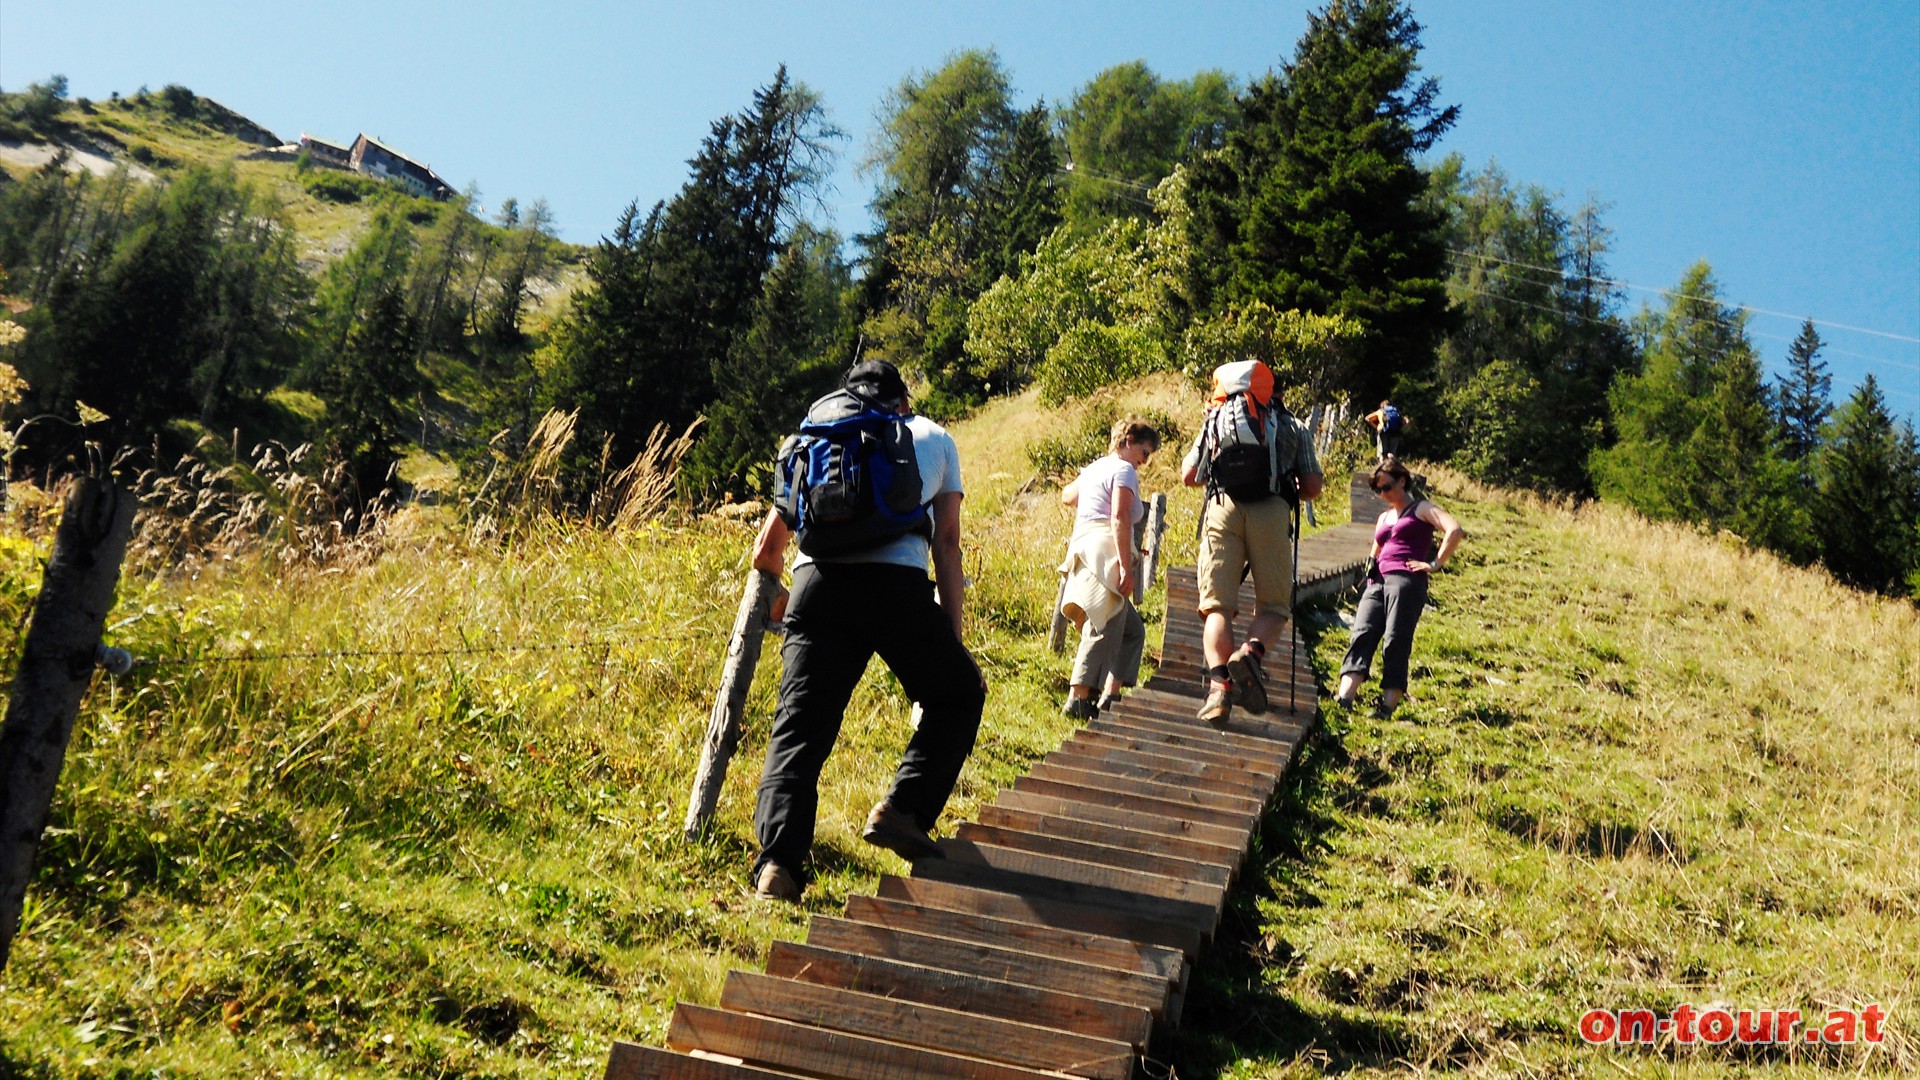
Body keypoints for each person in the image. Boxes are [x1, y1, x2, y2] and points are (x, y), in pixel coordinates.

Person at [747, 359, 986, 903]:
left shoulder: (820, 438)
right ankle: (904, 810)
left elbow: (767, 551)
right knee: (958, 693)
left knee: (798, 731)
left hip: (815, 585)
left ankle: (777, 869)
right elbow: (946, 546)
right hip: (895, 588)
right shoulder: (932, 437)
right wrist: (950, 641)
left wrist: (785, 596)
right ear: (903, 401)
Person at [1181, 360, 1324, 726]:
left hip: (1222, 509)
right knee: (1274, 607)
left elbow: (1189, 475)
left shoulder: (1216, 419)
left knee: (1217, 608)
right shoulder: (1292, 426)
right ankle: (1251, 653)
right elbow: (1312, 488)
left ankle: (1218, 691)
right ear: (1274, 390)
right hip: (1271, 512)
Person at [1334, 455, 1466, 718]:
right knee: (1362, 632)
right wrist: (1370, 563)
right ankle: (1345, 696)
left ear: (1402, 481)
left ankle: (1387, 705)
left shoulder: (1421, 508)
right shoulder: (1384, 517)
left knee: (1395, 639)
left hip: (1406, 580)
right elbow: (1378, 544)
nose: (1383, 494)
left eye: (1386, 487)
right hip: (1377, 580)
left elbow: (1454, 530)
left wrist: (1435, 563)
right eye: (1377, 490)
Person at [1058, 418, 1160, 720]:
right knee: (1102, 626)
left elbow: (1068, 496)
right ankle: (1077, 697)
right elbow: (1118, 517)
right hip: (1106, 552)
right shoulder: (1124, 470)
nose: (1145, 460)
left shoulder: (1096, 468)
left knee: (1132, 631)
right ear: (1128, 441)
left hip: (1083, 548)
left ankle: (1110, 695)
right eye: (1145, 451)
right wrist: (1126, 566)